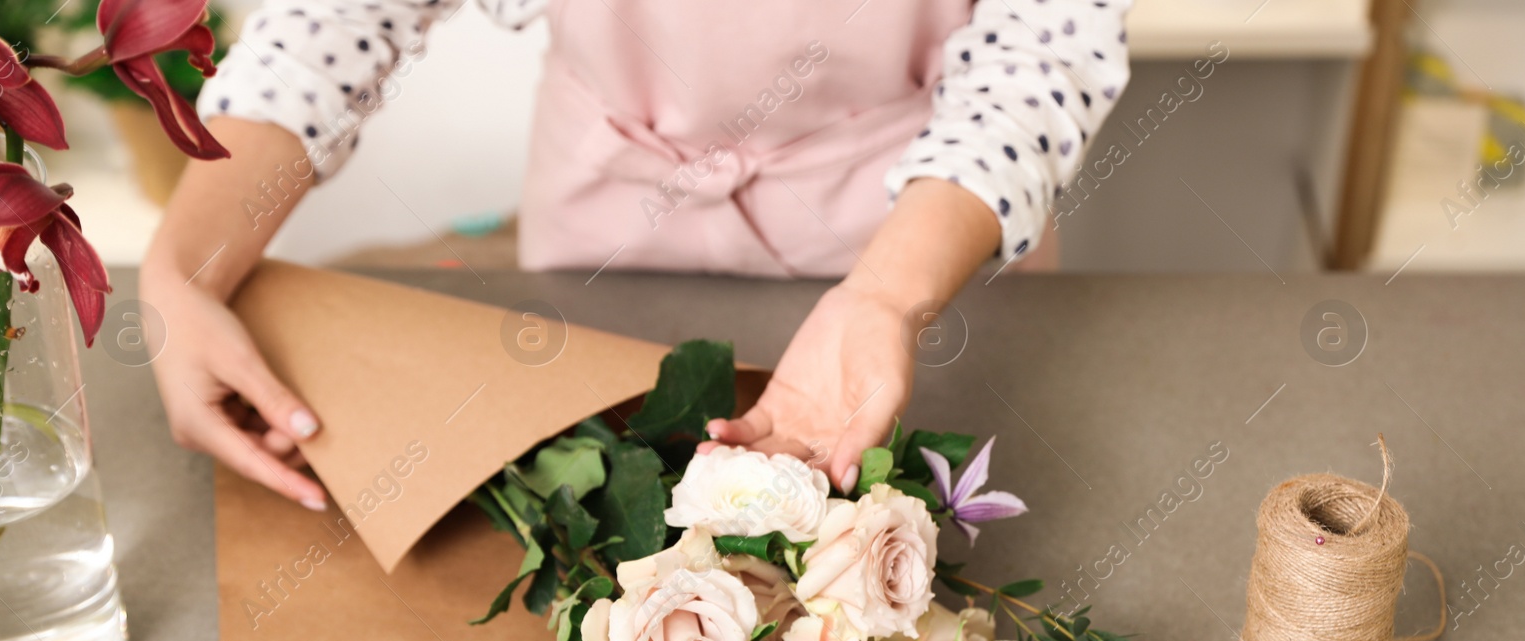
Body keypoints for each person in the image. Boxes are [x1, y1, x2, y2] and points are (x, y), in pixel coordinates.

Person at [142, 0, 1131, 510]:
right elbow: (340, 24)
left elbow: (1036, 61)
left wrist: (884, 297)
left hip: (920, 238)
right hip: (605, 240)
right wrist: (182, 267)